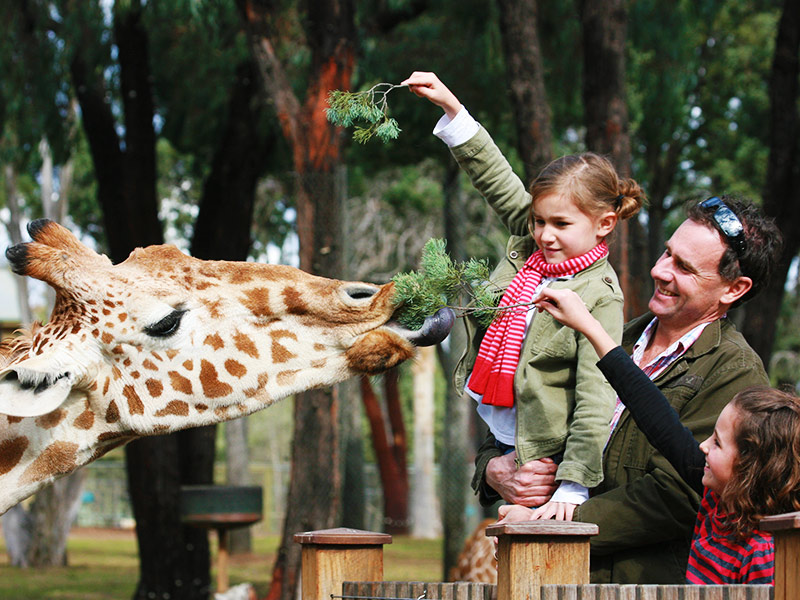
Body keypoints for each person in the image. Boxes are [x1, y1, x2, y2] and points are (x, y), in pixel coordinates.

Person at [403, 72, 784, 583]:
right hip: (552, 573)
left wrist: (555, 522)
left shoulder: (735, 374)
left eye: (684, 268)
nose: (659, 270)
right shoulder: (616, 334)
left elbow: (680, 495)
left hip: (633, 583)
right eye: (667, 253)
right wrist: (495, 471)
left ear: (733, 290)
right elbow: (533, 424)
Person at [403, 71, 644, 520]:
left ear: (604, 224)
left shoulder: (600, 296)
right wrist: (453, 109)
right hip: (502, 433)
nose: (545, 235)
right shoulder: (532, 246)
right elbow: (493, 175)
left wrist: (572, 486)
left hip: (552, 454)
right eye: (538, 221)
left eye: (561, 224)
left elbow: (596, 394)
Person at [511, 284, 800, 584]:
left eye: (717, 443)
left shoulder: (766, 553)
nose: (701, 446)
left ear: (748, 467)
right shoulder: (716, 503)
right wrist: (589, 325)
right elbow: (656, 417)